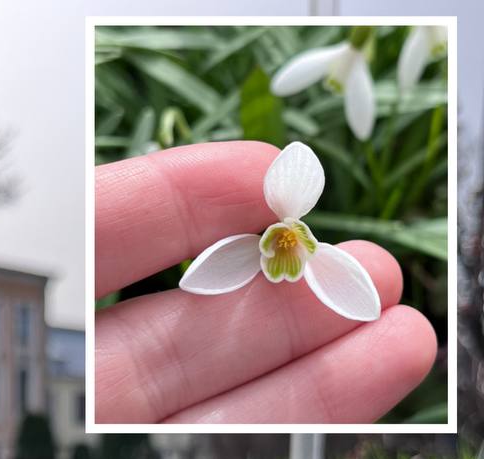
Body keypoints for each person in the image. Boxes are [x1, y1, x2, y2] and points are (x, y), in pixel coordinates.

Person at [95, 141, 438, 425]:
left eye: (290, 238)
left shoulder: (320, 262)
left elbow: (362, 303)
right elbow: (202, 274)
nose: (287, 240)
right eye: (285, 238)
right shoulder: (255, 251)